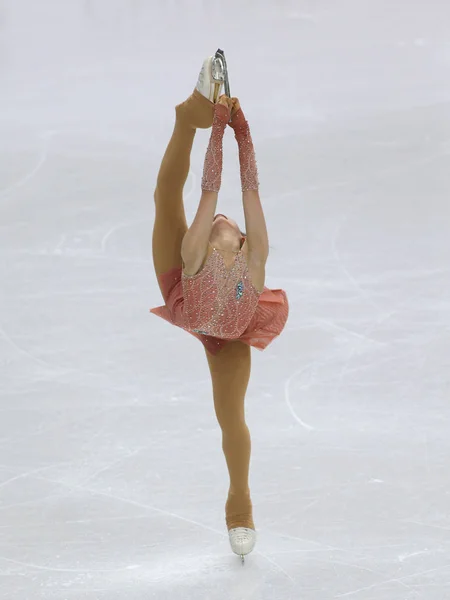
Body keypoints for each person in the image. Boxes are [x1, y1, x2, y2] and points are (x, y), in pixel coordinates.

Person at [150, 55, 289, 561]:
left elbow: (245, 188)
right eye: (214, 224)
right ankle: (188, 115)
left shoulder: (255, 263)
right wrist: (221, 131)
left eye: (225, 223)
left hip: (226, 333)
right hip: (188, 299)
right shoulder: (193, 252)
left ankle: (240, 505)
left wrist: (241, 133)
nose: (220, 218)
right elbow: (209, 189)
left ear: (242, 242)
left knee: (231, 417)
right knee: (167, 197)